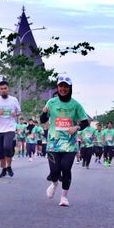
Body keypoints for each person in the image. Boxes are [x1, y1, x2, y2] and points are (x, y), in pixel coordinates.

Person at [41, 75, 89, 207]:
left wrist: (76, 127)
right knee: (55, 171)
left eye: (66, 86)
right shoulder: (51, 102)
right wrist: (44, 113)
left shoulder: (76, 105)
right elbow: (43, 120)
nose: (63, 89)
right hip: (54, 143)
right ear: (57, 88)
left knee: (66, 168)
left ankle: (64, 197)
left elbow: (85, 122)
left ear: (70, 88)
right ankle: (54, 183)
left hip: (70, 144)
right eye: (61, 86)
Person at [0, 80, 21, 178]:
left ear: (8, 89)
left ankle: (9, 166)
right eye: (1, 89)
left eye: (5, 88)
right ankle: (4, 168)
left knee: (7, 146)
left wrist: (15, 114)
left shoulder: (14, 100)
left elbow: (19, 112)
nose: (3, 90)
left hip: (10, 128)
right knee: (0, 150)